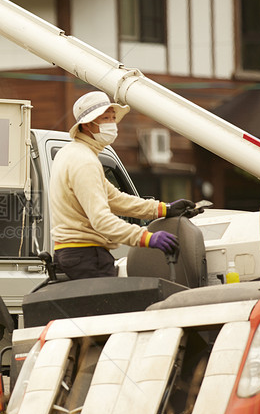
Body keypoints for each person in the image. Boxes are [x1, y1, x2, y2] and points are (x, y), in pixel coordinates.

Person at [49, 91, 196, 280]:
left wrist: (163, 209)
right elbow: (101, 220)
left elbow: (114, 198)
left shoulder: (71, 153)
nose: (112, 124)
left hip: (71, 254)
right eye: (105, 118)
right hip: (86, 255)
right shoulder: (85, 161)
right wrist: (146, 237)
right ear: (87, 124)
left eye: (113, 118)